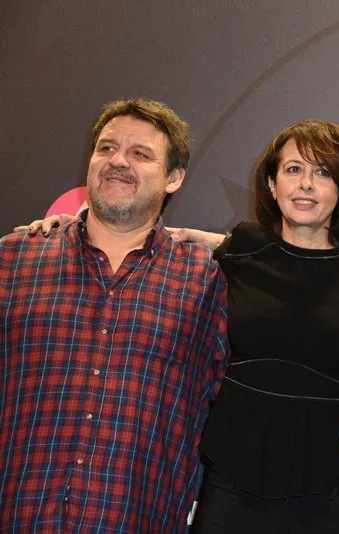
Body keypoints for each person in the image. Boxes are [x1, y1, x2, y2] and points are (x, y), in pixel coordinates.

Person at [0, 98, 230, 532]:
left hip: (136, 518)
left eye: (140, 154)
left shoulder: (207, 279)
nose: (118, 162)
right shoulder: (14, 260)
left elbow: (256, 385)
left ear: (174, 178)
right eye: (106, 148)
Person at [175, 120, 339, 533]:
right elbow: (160, 240)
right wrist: (73, 222)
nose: (306, 184)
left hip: (329, 481)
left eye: (322, 172)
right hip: (231, 472)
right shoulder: (242, 246)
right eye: (293, 169)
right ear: (273, 185)